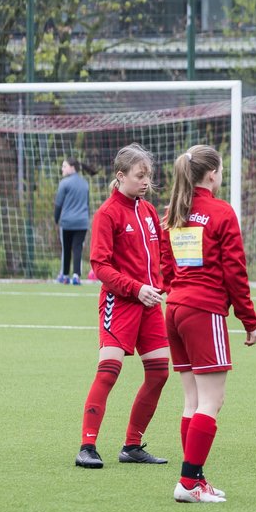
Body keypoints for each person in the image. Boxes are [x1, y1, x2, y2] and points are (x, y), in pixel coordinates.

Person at [159, 145, 256, 503]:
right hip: (203, 310)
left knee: (192, 400)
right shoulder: (220, 212)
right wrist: (249, 320)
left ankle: (195, 479)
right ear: (214, 173)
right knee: (211, 402)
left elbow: (165, 265)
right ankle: (187, 484)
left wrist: (177, 291)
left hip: (175, 308)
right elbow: (235, 271)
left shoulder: (174, 211)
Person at [76, 144, 171, 469]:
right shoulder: (107, 214)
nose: (146, 181)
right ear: (120, 176)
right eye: (139, 175)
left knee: (159, 373)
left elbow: (162, 255)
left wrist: (165, 284)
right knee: (109, 372)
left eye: (148, 176)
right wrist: (136, 288)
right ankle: (87, 446)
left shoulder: (147, 211)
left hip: (149, 306)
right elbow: (100, 266)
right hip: (120, 304)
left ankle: (132, 445)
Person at [54, 157, 93, 284]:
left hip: (67, 223)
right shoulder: (85, 183)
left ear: (72, 168)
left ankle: (64, 275)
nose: (62, 169)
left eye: (64, 166)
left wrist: (56, 219)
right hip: (82, 222)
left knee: (66, 249)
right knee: (77, 248)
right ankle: (76, 276)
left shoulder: (64, 183)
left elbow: (58, 204)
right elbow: (87, 203)